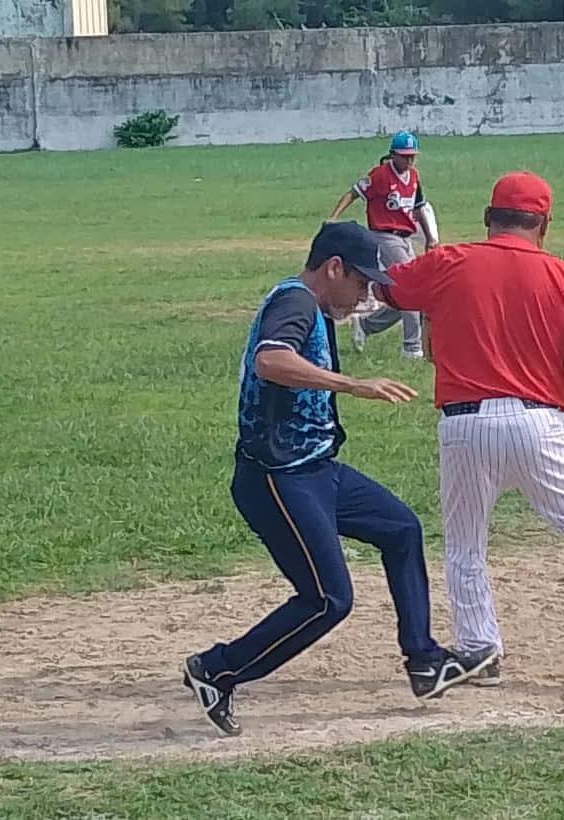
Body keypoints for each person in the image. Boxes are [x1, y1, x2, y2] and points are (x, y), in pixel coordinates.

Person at [182, 221, 496, 736]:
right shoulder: (297, 303)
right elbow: (271, 361)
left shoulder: (316, 307)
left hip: (319, 470)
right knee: (328, 599)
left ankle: (423, 659)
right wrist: (352, 385)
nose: (367, 295)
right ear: (333, 268)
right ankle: (216, 670)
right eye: (362, 282)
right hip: (277, 479)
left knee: (401, 529)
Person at [371, 172, 564, 686]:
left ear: (489, 218)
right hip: (540, 424)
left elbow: (389, 289)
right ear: (543, 224)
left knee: (466, 547)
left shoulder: (450, 261)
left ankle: (480, 647)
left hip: (465, 425)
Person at [328, 131, 438, 359]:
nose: (408, 161)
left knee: (405, 294)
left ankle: (367, 326)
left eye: (412, 156)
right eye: (404, 156)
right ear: (393, 155)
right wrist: (333, 217)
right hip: (384, 235)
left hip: (405, 237)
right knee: (412, 284)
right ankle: (411, 346)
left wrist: (429, 237)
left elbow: (419, 207)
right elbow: (353, 193)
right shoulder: (380, 176)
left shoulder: (414, 177)